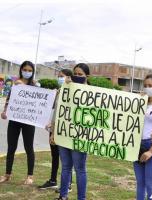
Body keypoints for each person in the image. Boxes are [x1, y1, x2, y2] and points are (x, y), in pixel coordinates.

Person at [54, 63, 90, 200]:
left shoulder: (92, 92)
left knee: (80, 169)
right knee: (65, 167)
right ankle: (63, 196)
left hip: (80, 137)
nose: (77, 76)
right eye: (75, 73)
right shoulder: (66, 88)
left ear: (87, 76)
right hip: (64, 134)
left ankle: (81, 198)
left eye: (80, 74)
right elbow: (59, 111)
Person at [0, 61, 37, 184]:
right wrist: (5, 111)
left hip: (28, 121)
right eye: (25, 69)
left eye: (29, 70)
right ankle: (7, 174)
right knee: (11, 147)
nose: (27, 72)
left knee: (29, 147)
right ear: (21, 70)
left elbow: (39, 103)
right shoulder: (15, 84)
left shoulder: (35, 85)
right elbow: (9, 99)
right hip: (15, 119)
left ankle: (30, 176)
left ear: (32, 72)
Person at [38, 69, 73, 191]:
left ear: (69, 77)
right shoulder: (58, 92)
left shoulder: (72, 93)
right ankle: (53, 180)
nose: (60, 78)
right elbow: (54, 111)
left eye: (62, 76)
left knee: (66, 159)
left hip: (64, 130)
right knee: (54, 155)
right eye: (58, 76)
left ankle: (68, 184)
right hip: (53, 128)